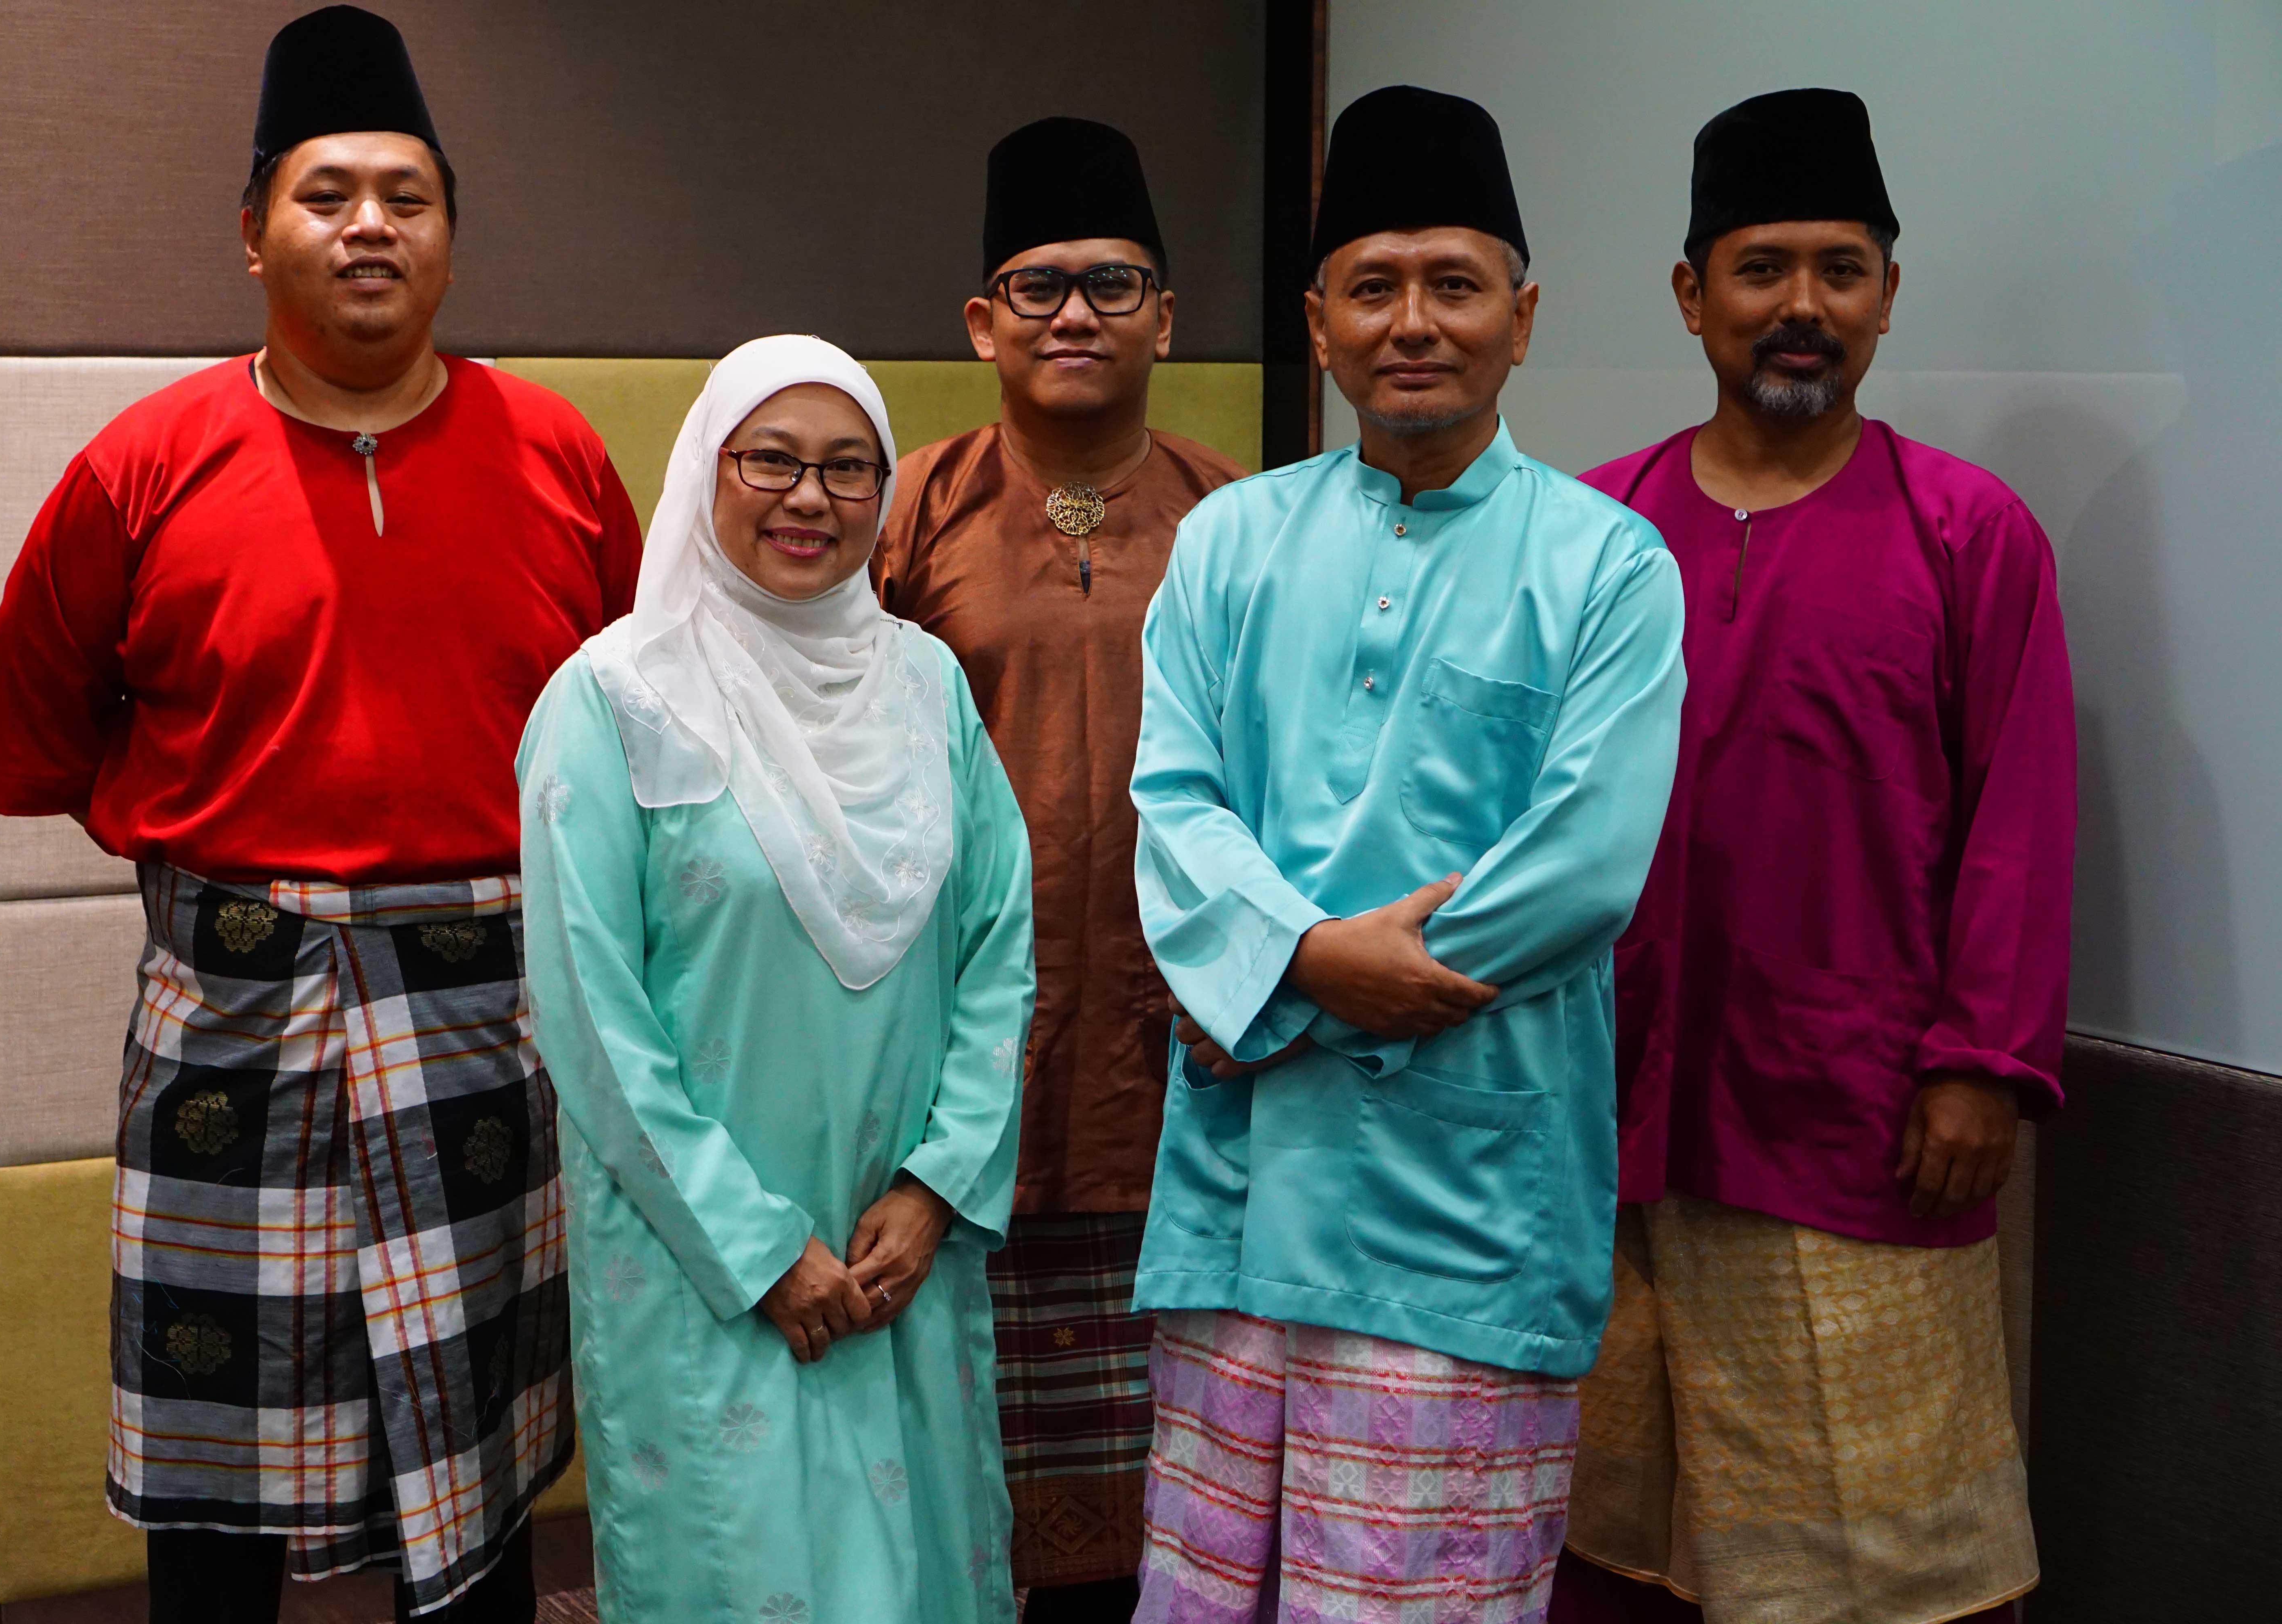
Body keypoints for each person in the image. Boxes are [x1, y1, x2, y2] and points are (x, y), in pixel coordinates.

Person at [0, 9, 641, 1618]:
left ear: (451, 239)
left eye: (406, 198)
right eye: (328, 192)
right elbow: (43, 718)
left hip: (486, 1014)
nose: (368, 226)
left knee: (474, 1450)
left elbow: (636, 723)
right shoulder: (143, 464)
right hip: (232, 1012)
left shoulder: (554, 452)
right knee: (215, 1470)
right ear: (254, 232)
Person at [1126, 86, 1686, 1621]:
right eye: (1375, 286)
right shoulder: (1230, 543)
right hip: (1237, 1204)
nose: (1415, 322)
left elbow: (1585, 863)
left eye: (1456, 283)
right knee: (1213, 1593)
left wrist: (1284, 990)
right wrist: (1315, 962)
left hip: (1466, 1210)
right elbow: (1173, 809)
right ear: (1319, 324)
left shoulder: (1608, 564)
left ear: (1524, 314)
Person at [1547, 89, 2072, 1624]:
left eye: (1841, 270)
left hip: (1857, 1122)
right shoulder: (1595, 529)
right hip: (1611, 1119)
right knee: (1620, 1527)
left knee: (1887, 1555)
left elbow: (2019, 824)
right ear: (1691, 294)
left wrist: (1981, 1062)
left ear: (1888, 298)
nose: (1801, 308)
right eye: (1761, 267)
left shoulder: (1968, 534)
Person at [517, 335, 1036, 1624]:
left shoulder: (926, 686)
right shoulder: (613, 701)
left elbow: (997, 945)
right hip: (714, 1276)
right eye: (773, 460)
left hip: (902, 1253)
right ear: (709, 467)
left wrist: (938, 1189)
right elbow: (591, 1019)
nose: (810, 498)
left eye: (850, 470)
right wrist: (758, 1252)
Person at [873, 116, 1246, 1622]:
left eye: (1112, 283)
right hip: (969, 1066)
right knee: (972, 1499)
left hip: (1187, 1070)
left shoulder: (1241, 519)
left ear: (1168, 314)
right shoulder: (907, 510)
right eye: (1038, 287)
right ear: (983, 323)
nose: (1075, 314)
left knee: (1186, 1512)